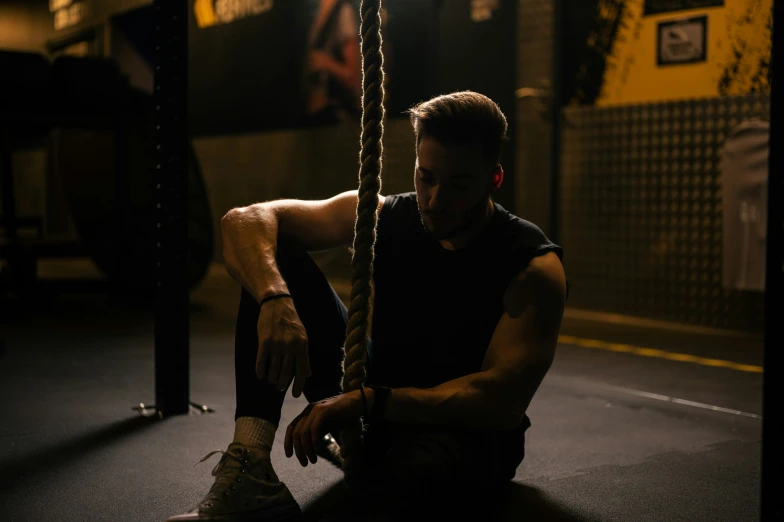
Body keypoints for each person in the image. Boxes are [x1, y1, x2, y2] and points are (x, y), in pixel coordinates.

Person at [165, 91, 568, 521]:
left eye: (459, 185)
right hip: (371, 405)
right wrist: (274, 298)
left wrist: (363, 401)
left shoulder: (531, 266)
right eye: (425, 176)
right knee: (273, 258)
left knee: (396, 484)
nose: (434, 200)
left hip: (466, 434)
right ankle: (251, 464)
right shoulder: (384, 216)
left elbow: (496, 401)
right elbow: (244, 221)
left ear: (495, 178)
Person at [301, 0, 362, 126]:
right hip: (312, 120)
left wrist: (326, 63)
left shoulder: (343, 13)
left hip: (334, 119)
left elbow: (354, 77)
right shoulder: (311, 14)